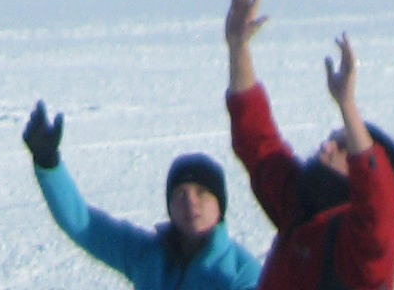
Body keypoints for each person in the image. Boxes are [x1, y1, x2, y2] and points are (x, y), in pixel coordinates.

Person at [22, 31, 264, 290]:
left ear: (221, 207)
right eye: (180, 194)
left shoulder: (242, 274)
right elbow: (83, 225)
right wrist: (48, 163)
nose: (190, 202)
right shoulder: (148, 255)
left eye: (202, 193)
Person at [220, 0, 394, 290]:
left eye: (343, 146)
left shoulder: (361, 244)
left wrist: (347, 104)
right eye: (334, 138)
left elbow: (379, 206)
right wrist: (238, 48)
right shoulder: (300, 205)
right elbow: (257, 143)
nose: (328, 145)